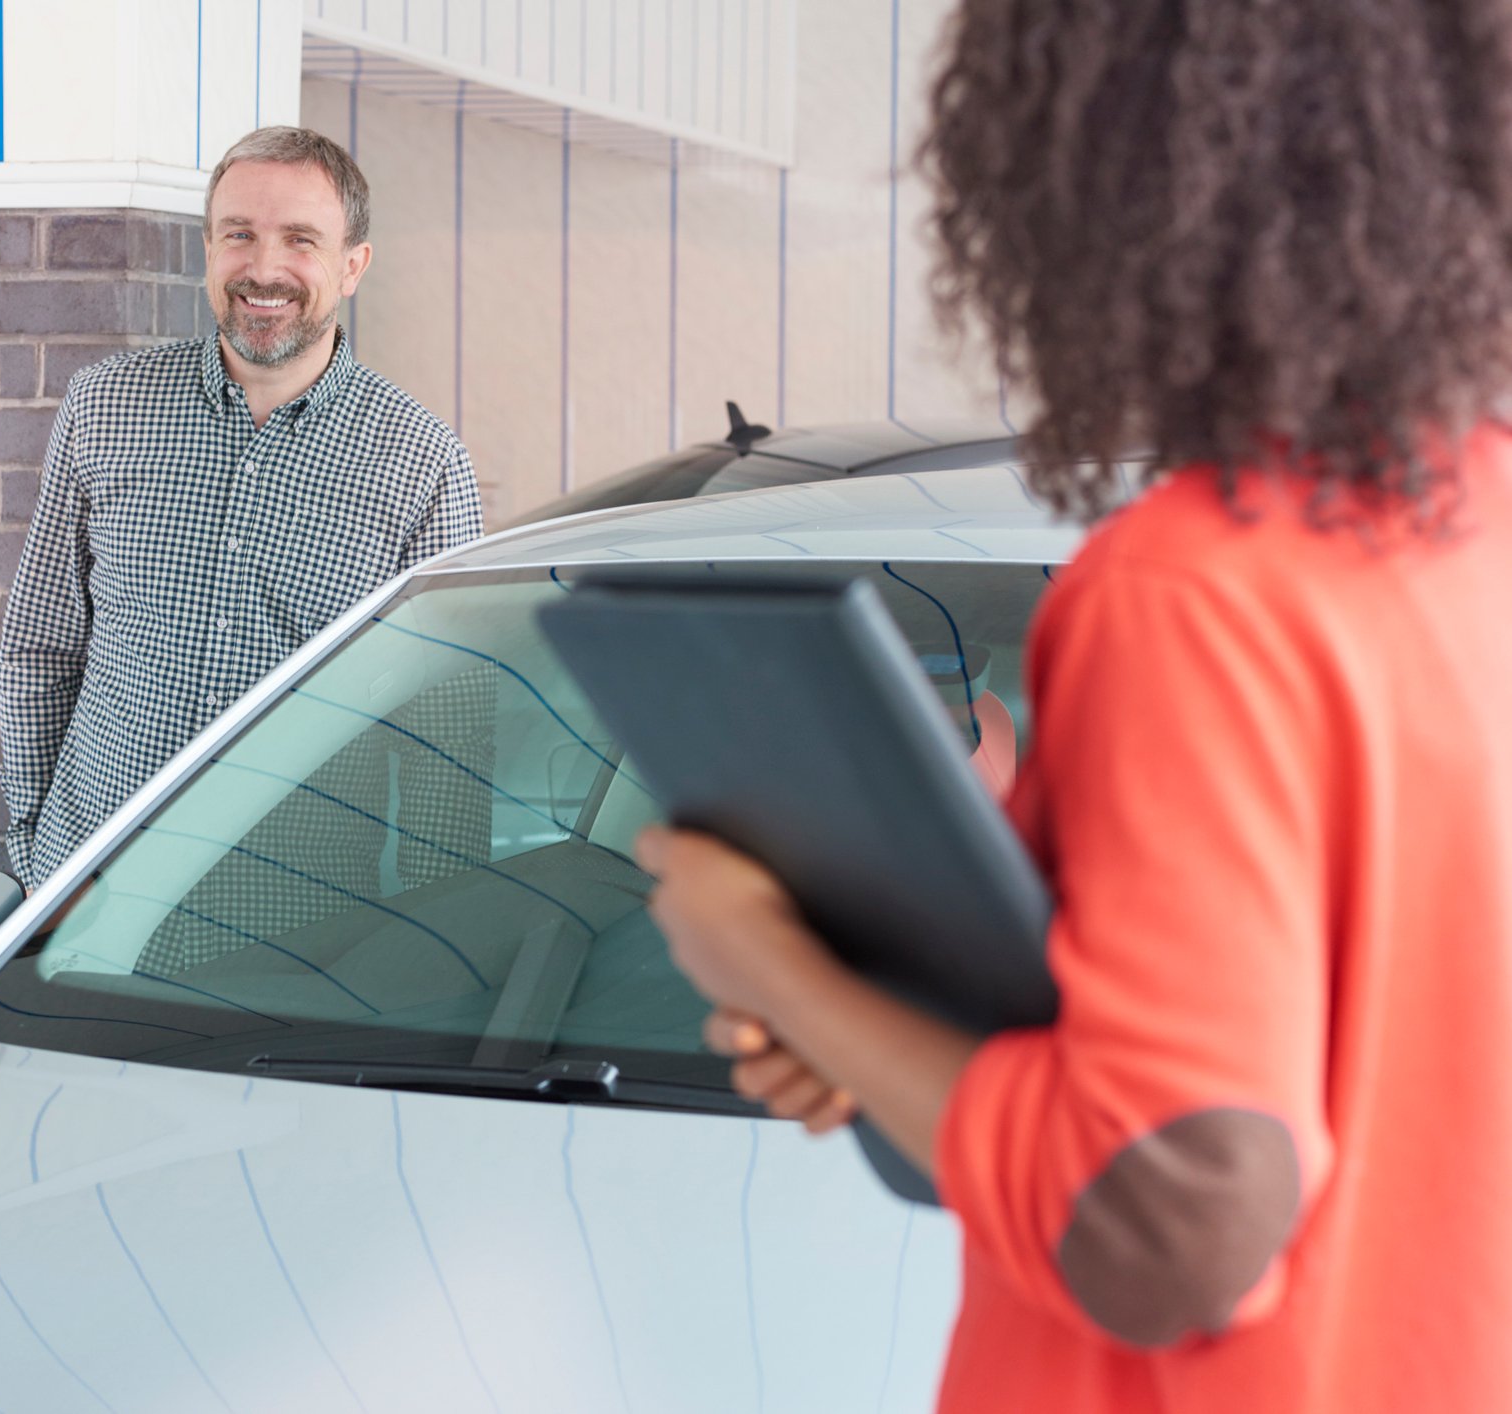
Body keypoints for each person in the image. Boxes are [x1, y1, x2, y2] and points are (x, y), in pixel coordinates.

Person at [637, 4, 1512, 1412]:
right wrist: (883, 1008)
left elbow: (1179, 1213)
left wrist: (762, 958)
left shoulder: (1190, 591)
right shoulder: (1469, 521)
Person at [0, 125, 484, 889]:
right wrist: (34, 849)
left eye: (300, 239)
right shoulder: (105, 407)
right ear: (207, 249)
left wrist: (428, 942)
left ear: (352, 265)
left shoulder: (421, 462)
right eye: (239, 235)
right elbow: (40, 644)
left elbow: (444, 737)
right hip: (87, 903)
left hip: (290, 927)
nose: (263, 268)